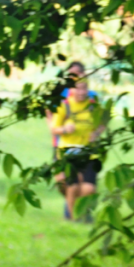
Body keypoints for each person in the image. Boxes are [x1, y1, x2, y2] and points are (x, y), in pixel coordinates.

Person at [50, 74, 105, 221]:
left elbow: (103, 122)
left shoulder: (93, 106)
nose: (81, 92)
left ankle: (83, 214)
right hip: (68, 152)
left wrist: (97, 133)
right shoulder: (65, 105)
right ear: (72, 90)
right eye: (78, 89)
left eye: (84, 89)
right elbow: (54, 128)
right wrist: (65, 129)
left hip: (89, 152)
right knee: (72, 187)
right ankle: (74, 219)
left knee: (89, 189)